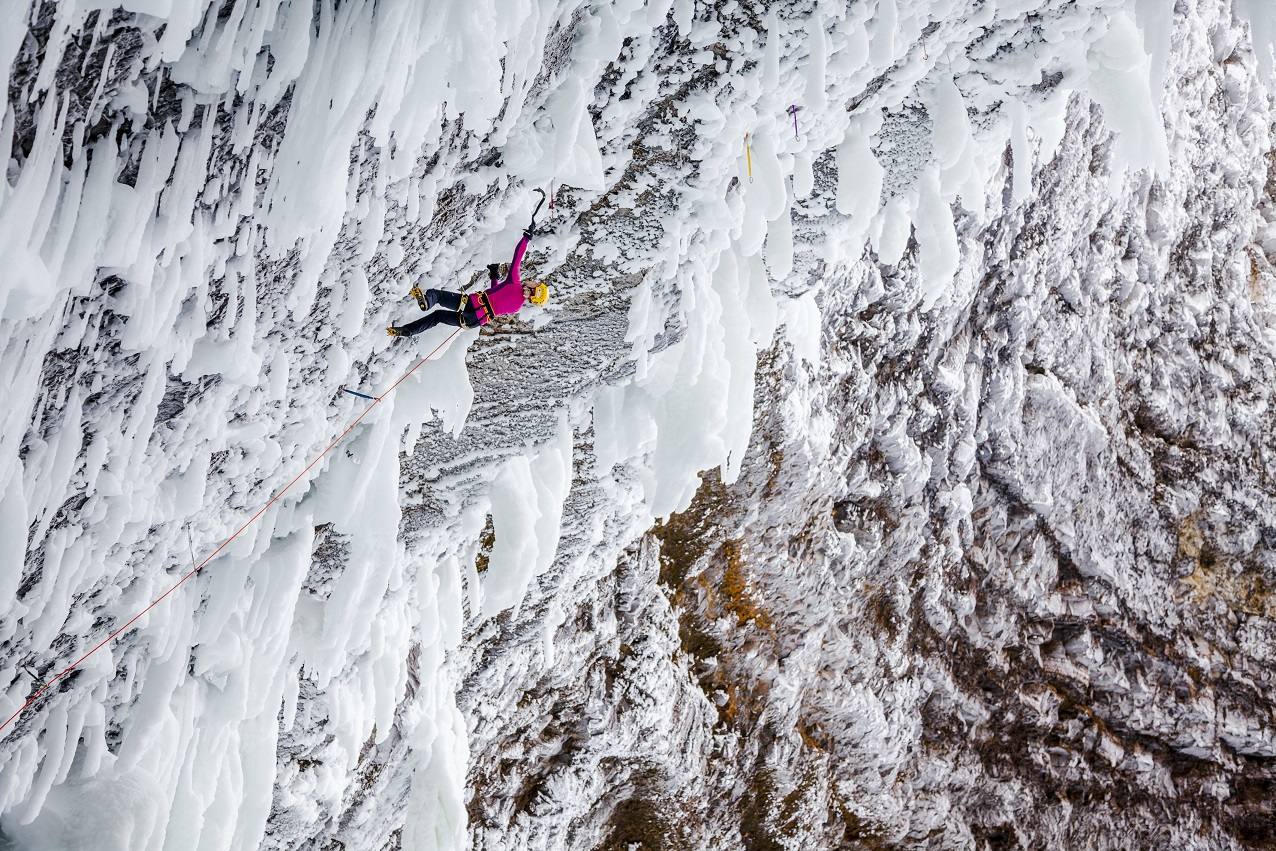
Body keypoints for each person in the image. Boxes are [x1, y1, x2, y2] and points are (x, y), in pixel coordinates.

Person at [388, 227, 549, 338]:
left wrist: (526, 238)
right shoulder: (517, 306)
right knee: (437, 317)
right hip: (474, 320)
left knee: (436, 296)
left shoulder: (515, 282)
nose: (534, 281)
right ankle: (406, 331)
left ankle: (427, 301)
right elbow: (496, 297)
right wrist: (494, 276)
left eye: (536, 284)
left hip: (471, 304)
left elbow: (517, 257)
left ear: (534, 290)